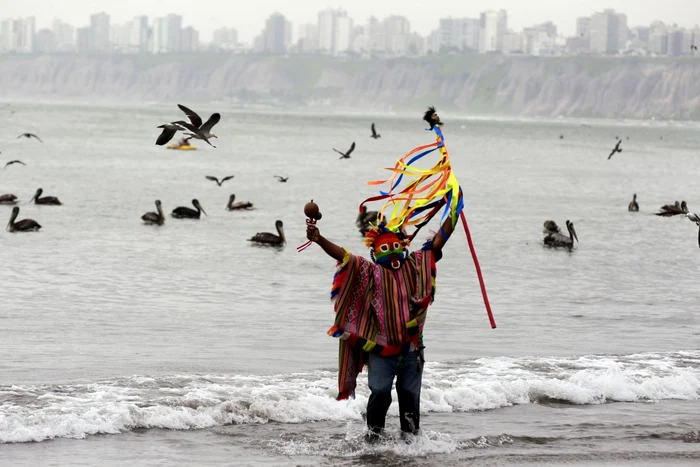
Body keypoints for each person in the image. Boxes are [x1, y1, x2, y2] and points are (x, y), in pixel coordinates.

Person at [306, 211, 456, 441]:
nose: (392, 252)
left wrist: (454, 210)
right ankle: (373, 437)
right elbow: (344, 256)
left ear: (403, 248)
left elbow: (438, 242)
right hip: (381, 351)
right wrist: (319, 239)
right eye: (385, 249)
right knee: (380, 391)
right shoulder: (370, 271)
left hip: (412, 350)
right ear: (374, 254)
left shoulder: (415, 264)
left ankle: (412, 440)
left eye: (396, 247)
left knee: (409, 394)